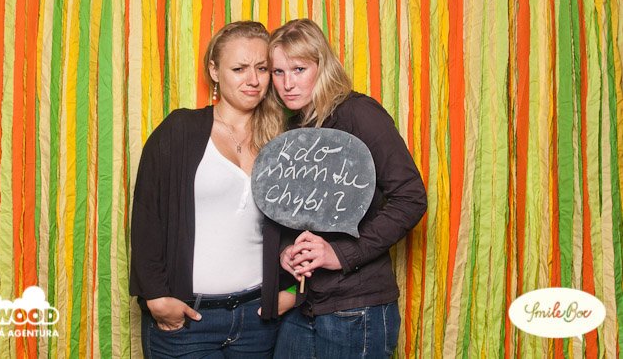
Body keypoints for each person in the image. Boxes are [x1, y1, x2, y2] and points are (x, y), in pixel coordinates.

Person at [130, 21, 293, 358]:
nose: (253, 80)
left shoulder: (281, 139)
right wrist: (155, 296)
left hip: (258, 319)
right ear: (215, 71)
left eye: (262, 68)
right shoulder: (180, 130)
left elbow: (302, 220)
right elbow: (147, 215)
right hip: (187, 321)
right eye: (239, 68)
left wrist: (292, 291)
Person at [268, 19, 427, 359]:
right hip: (304, 303)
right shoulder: (292, 129)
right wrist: (286, 252)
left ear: (322, 66)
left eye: (298, 69)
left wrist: (341, 254)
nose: (287, 84)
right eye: (278, 72)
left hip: (357, 309)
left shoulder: (359, 113)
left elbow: (411, 198)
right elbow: (289, 213)